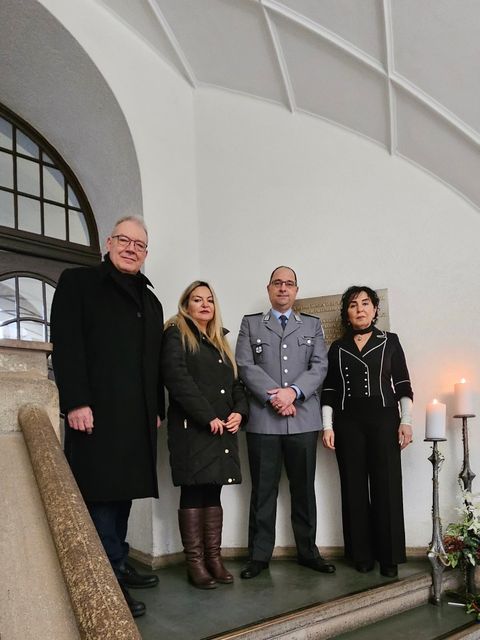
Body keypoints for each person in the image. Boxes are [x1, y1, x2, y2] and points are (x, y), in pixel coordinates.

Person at [50, 215, 164, 618]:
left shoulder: (151, 300)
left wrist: (157, 410)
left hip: (136, 418)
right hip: (95, 415)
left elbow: (154, 363)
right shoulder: (78, 282)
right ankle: (106, 579)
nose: (132, 248)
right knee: (99, 496)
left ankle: (118, 556)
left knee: (124, 493)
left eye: (140, 244)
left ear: (145, 253)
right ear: (108, 242)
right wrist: (76, 401)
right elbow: (66, 345)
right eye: (124, 240)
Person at [235, 266, 335, 579]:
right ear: (269, 289)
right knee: (263, 491)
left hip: (303, 421)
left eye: (289, 284)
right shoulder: (251, 324)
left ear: (296, 290)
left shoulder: (312, 325)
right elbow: (245, 365)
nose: (283, 288)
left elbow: (320, 366)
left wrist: (293, 393)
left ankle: (308, 552)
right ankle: (259, 556)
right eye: (277, 283)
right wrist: (275, 398)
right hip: (264, 422)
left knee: (304, 490)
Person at [160, 281, 248, 589]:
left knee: (214, 491)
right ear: (186, 304)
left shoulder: (220, 341)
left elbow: (237, 384)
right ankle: (195, 563)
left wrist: (240, 412)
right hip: (193, 430)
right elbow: (177, 379)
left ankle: (214, 559)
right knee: (194, 491)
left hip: (222, 429)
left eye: (209, 299)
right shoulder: (175, 333)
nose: (204, 304)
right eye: (197, 300)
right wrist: (207, 415)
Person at [321, 286, 413, 578]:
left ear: (375, 309)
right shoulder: (337, 347)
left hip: (385, 419)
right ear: (346, 313)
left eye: (365, 303)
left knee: (386, 485)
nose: (359, 309)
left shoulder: (390, 341)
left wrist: (406, 420)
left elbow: (403, 385)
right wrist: (327, 426)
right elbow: (330, 390)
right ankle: (361, 554)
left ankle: (389, 557)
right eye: (353, 305)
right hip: (348, 423)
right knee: (353, 487)